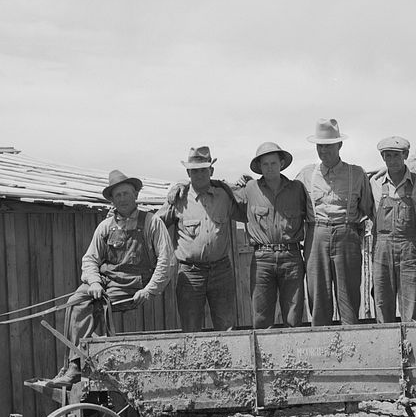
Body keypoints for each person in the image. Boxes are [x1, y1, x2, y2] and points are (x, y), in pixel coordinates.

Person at [49, 170, 176, 387]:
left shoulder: (151, 223)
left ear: (135, 195)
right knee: (74, 302)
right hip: (107, 282)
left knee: (96, 306)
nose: (123, 199)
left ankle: (87, 363)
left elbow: (167, 260)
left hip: (134, 284)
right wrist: (95, 281)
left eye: (126, 194)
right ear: (112, 200)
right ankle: (75, 365)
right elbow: (90, 259)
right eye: (118, 195)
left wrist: (150, 289)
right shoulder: (106, 227)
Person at [296, 118, 375, 326]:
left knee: (348, 295)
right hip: (317, 235)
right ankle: (321, 348)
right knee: (318, 295)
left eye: (329, 146)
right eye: (320, 146)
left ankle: (351, 344)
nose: (324, 150)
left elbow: (369, 208)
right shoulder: (305, 175)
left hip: (347, 235)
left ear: (340, 145)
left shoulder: (356, 174)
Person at [159, 146, 247, 332]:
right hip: (191, 273)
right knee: (191, 330)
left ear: (211, 171)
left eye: (203, 170)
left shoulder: (224, 195)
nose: (199, 174)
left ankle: (229, 362)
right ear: (188, 173)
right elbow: (154, 226)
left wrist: (249, 186)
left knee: (226, 328)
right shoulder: (178, 198)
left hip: (221, 271)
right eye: (194, 171)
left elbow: (249, 213)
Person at [229, 142, 314, 328]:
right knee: (261, 315)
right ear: (259, 167)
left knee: (293, 314)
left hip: (291, 256)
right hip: (262, 258)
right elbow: (222, 193)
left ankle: (294, 355)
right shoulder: (250, 189)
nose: (269, 168)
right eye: (265, 164)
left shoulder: (297, 189)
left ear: (281, 163)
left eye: (273, 163)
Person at [370, 136, 416, 323]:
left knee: (411, 301)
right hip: (381, 250)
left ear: (405, 155)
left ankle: (411, 346)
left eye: (396, 155)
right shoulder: (374, 183)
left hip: (409, 249)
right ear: (383, 158)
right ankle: (386, 347)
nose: (392, 160)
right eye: (387, 156)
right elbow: (366, 212)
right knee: (382, 300)